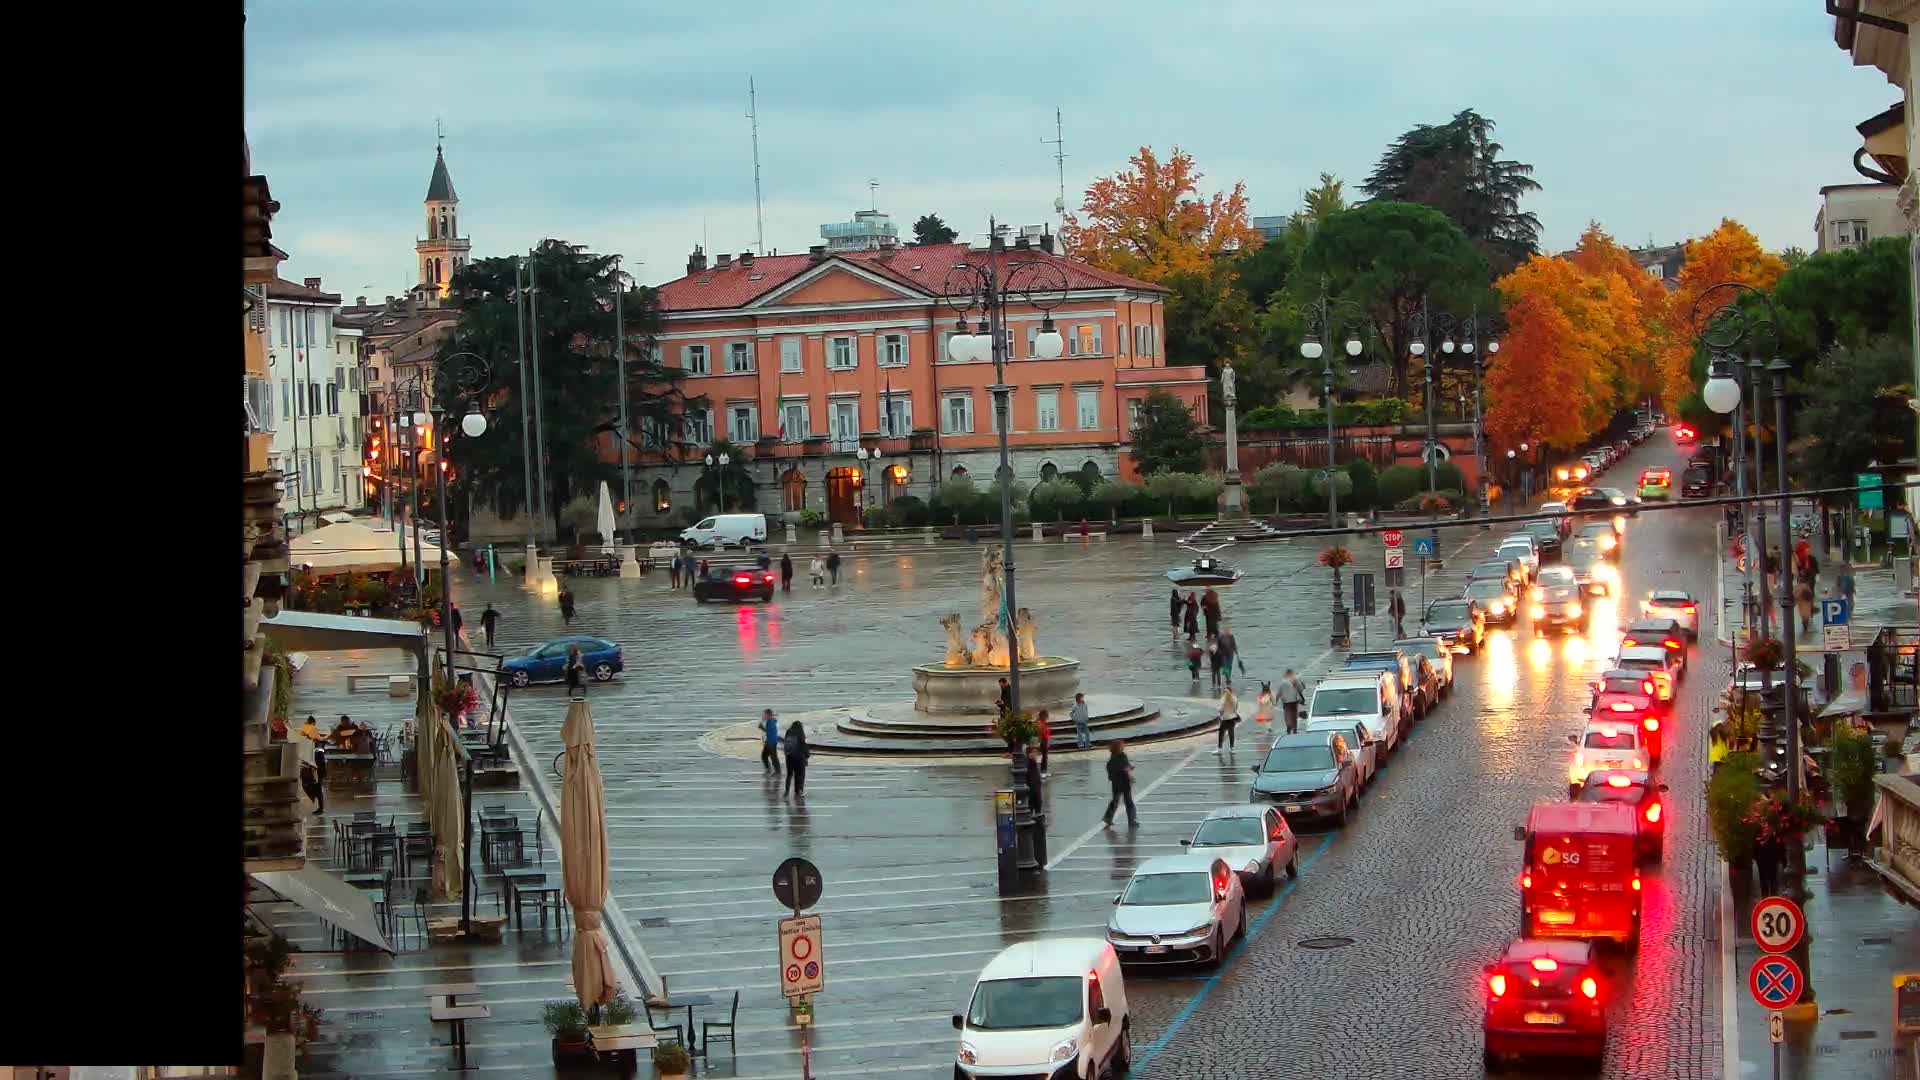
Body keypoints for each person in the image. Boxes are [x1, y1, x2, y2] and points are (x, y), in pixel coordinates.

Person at [1102, 740, 1137, 829]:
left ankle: (1108, 819)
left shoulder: (1112, 759)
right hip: (1124, 782)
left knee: (1115, 801)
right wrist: (1130, 771)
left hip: (1116, 783)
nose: (1123, 747)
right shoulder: (1122, 756)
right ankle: (1132, 821)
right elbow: (1125, 767)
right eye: (1122, 746)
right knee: (1128, 801)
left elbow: (1111, 770)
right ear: (1119, 748)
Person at [782, 721, 810, 797]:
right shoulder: (800, 733)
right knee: (800, 774)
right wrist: (807, 755)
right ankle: (799, 791)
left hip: (789, 756)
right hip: (798, 757)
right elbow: (803, 745)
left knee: (789, 774)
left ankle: (787, 791)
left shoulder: (788, 731)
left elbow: (785, 742)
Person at [1868, 628, 1892, 712]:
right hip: (1879, 671)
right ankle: (1878, 705)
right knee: (1878, 688)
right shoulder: (1881, 648)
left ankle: (1875, 705)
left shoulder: (1874, 646)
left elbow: (1869, 657)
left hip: (1874, 670)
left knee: (1875, 689)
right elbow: (1885, 664)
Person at [1276, 668, 1306, 734]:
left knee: (1287, 714)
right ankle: (1295, 729)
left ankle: (1289, 725)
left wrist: (1276, 700)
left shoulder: (1283, 682)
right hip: (1294, 700)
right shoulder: (1295, 680)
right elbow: (1301, 689)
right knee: (1294, 715)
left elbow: (1279, 693)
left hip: (1286, 702)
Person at [1214, 685, 1240, 754]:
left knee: (1221, 733)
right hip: (1232, 718)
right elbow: (1236, 707)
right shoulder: (1234, 698)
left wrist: (1219, 712)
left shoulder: (1224, 698)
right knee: (1231, 733)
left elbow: (1221, 708)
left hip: (1225, 718)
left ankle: (1220, 748)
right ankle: (1232, 748)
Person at [1025, 743, 1045, 817]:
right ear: (1029, 754)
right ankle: (1033, 814)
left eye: (1036, 752)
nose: (1036, 754)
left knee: (1037, 800)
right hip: (1032, 785)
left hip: (1035, 784)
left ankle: (1036, 813)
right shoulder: (1028, 762)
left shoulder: (1033, 762)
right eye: (1034, 752)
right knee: (1033, 800)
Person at [760, 708, 781, 774]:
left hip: (771, 742)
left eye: (764, 714)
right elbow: (770, 731)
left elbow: (769, 732)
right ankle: (769, 769)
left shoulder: (771, 722)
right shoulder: (771, 721)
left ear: (767, 715)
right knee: (764, 756)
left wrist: (761, 727)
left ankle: (777, 771)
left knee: (773, 757)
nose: (763, 715)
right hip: (770, 742)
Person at [1035, 708, 1052, 777]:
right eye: (1047, 715)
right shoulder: (1040, 724)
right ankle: (1043, 772)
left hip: (1045, 741)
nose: (1048, 716)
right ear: (1044, 716)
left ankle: (1043, 771)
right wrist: (1040, 743)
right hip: (1043, 741)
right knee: (1044, 757)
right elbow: (1040, 734)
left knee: (1045, 757)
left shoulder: (1043, 723)